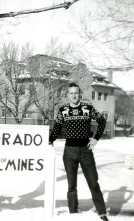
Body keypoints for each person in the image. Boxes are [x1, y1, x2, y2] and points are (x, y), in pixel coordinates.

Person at [49, 82, 109, 221]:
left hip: (85, 151)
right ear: (68, 95)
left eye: (76, 93)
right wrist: (49, 141)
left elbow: (102, 121)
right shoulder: (63, 110)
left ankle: (102, 212)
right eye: (71, 93)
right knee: (71, 185)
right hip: (69, 152)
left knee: (93, 182)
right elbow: (56, 129)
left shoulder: (87, 108)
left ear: (80, 94)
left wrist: (95, 139)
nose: (74, 95)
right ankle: (73, 213)